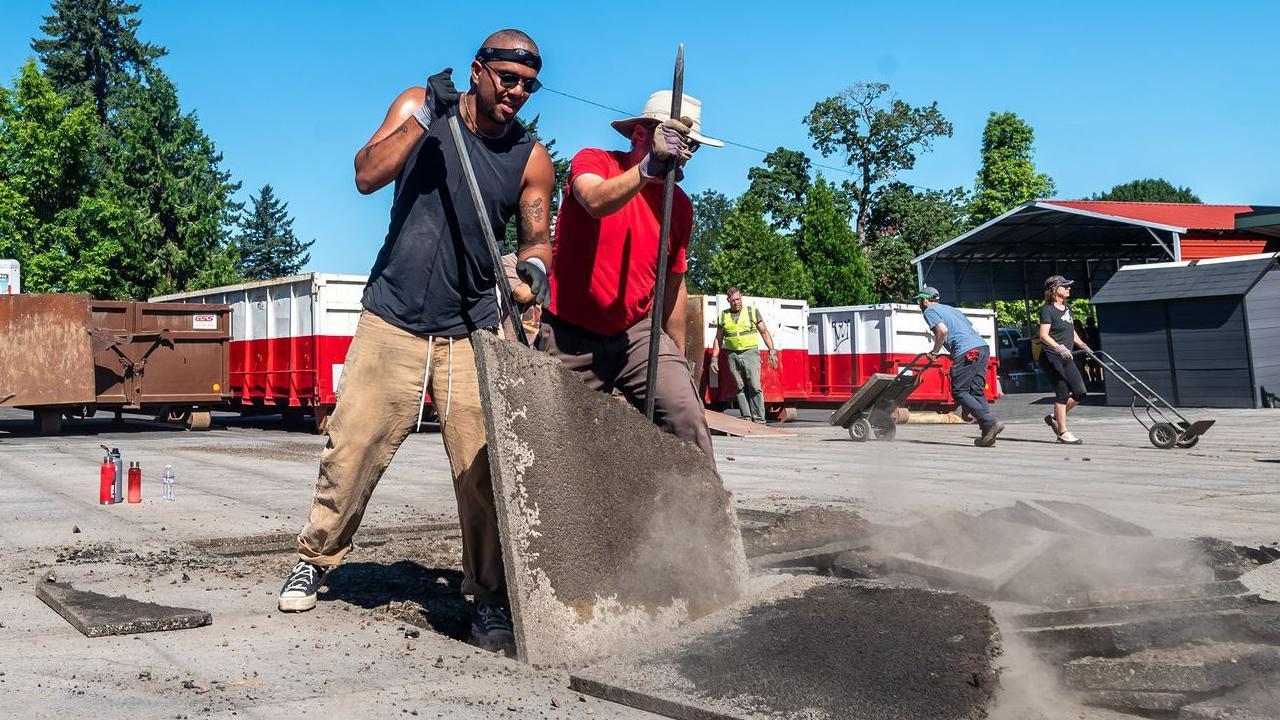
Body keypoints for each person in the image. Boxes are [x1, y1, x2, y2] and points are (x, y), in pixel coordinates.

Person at [277, 29, 555, 657]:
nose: (516, 93)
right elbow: (365, 174)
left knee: (484, 470)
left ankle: (488, 597)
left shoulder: (530, 156)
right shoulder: (418, 109)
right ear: (479, 71)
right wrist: (427, 116)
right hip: (393, 315)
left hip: (472, 329)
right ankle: (315, 561)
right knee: (351, 448)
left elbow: (539, 239)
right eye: (507, 80)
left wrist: (532, 274)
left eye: (528, 86)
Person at [537, 90, 721, 461]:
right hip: (570, 332)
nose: (683, 153)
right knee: (554, 440)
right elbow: (594, 201)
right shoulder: (595, 161)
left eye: (689, 146)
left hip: (635, 334)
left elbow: (673, 285)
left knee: (685, 416)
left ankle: (701, 514)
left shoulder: (679, 205)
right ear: (640, 135)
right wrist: (648, 167)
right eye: (674, 140)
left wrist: (679, 358)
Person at [916, 287, 1004, 447]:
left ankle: (989, 422)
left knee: (959, 391)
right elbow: (974, 329)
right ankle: (987, 434)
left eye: (919, 301)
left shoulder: (929, 311)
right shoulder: (951, 309)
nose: (919, 304)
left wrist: (934, 352)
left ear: (925, 300)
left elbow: (942, 331)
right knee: (976, 390)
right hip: (982, 348)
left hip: (967, 351)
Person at [710, 287, 779, 423]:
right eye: (733, 300)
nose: (736, 302)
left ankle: (759, 418)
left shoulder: (752, 312)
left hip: (750, 353)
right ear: (728, 300)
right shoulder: (723, 316)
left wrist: (772, 351)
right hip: (732, 355)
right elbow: (718, 339)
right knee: (739, 386)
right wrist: (714, 359)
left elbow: (764, 332)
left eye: (738, 299)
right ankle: (747, 417)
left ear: (741, 298)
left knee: (754, 386)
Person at [1038, 275, 1092, 444]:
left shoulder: (1066, 307)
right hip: (1051, 357)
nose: (1069, 288)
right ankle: (1063, 432)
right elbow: (1043, 335)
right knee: (1062, 393)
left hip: (1066, 356)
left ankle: (1055, 418)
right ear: (1055, 290)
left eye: (1069, 286)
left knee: (1080, 392)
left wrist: (1082, 344)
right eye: (1065, 286)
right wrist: (1058, 347)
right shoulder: (1047, 310)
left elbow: (1070, 331)